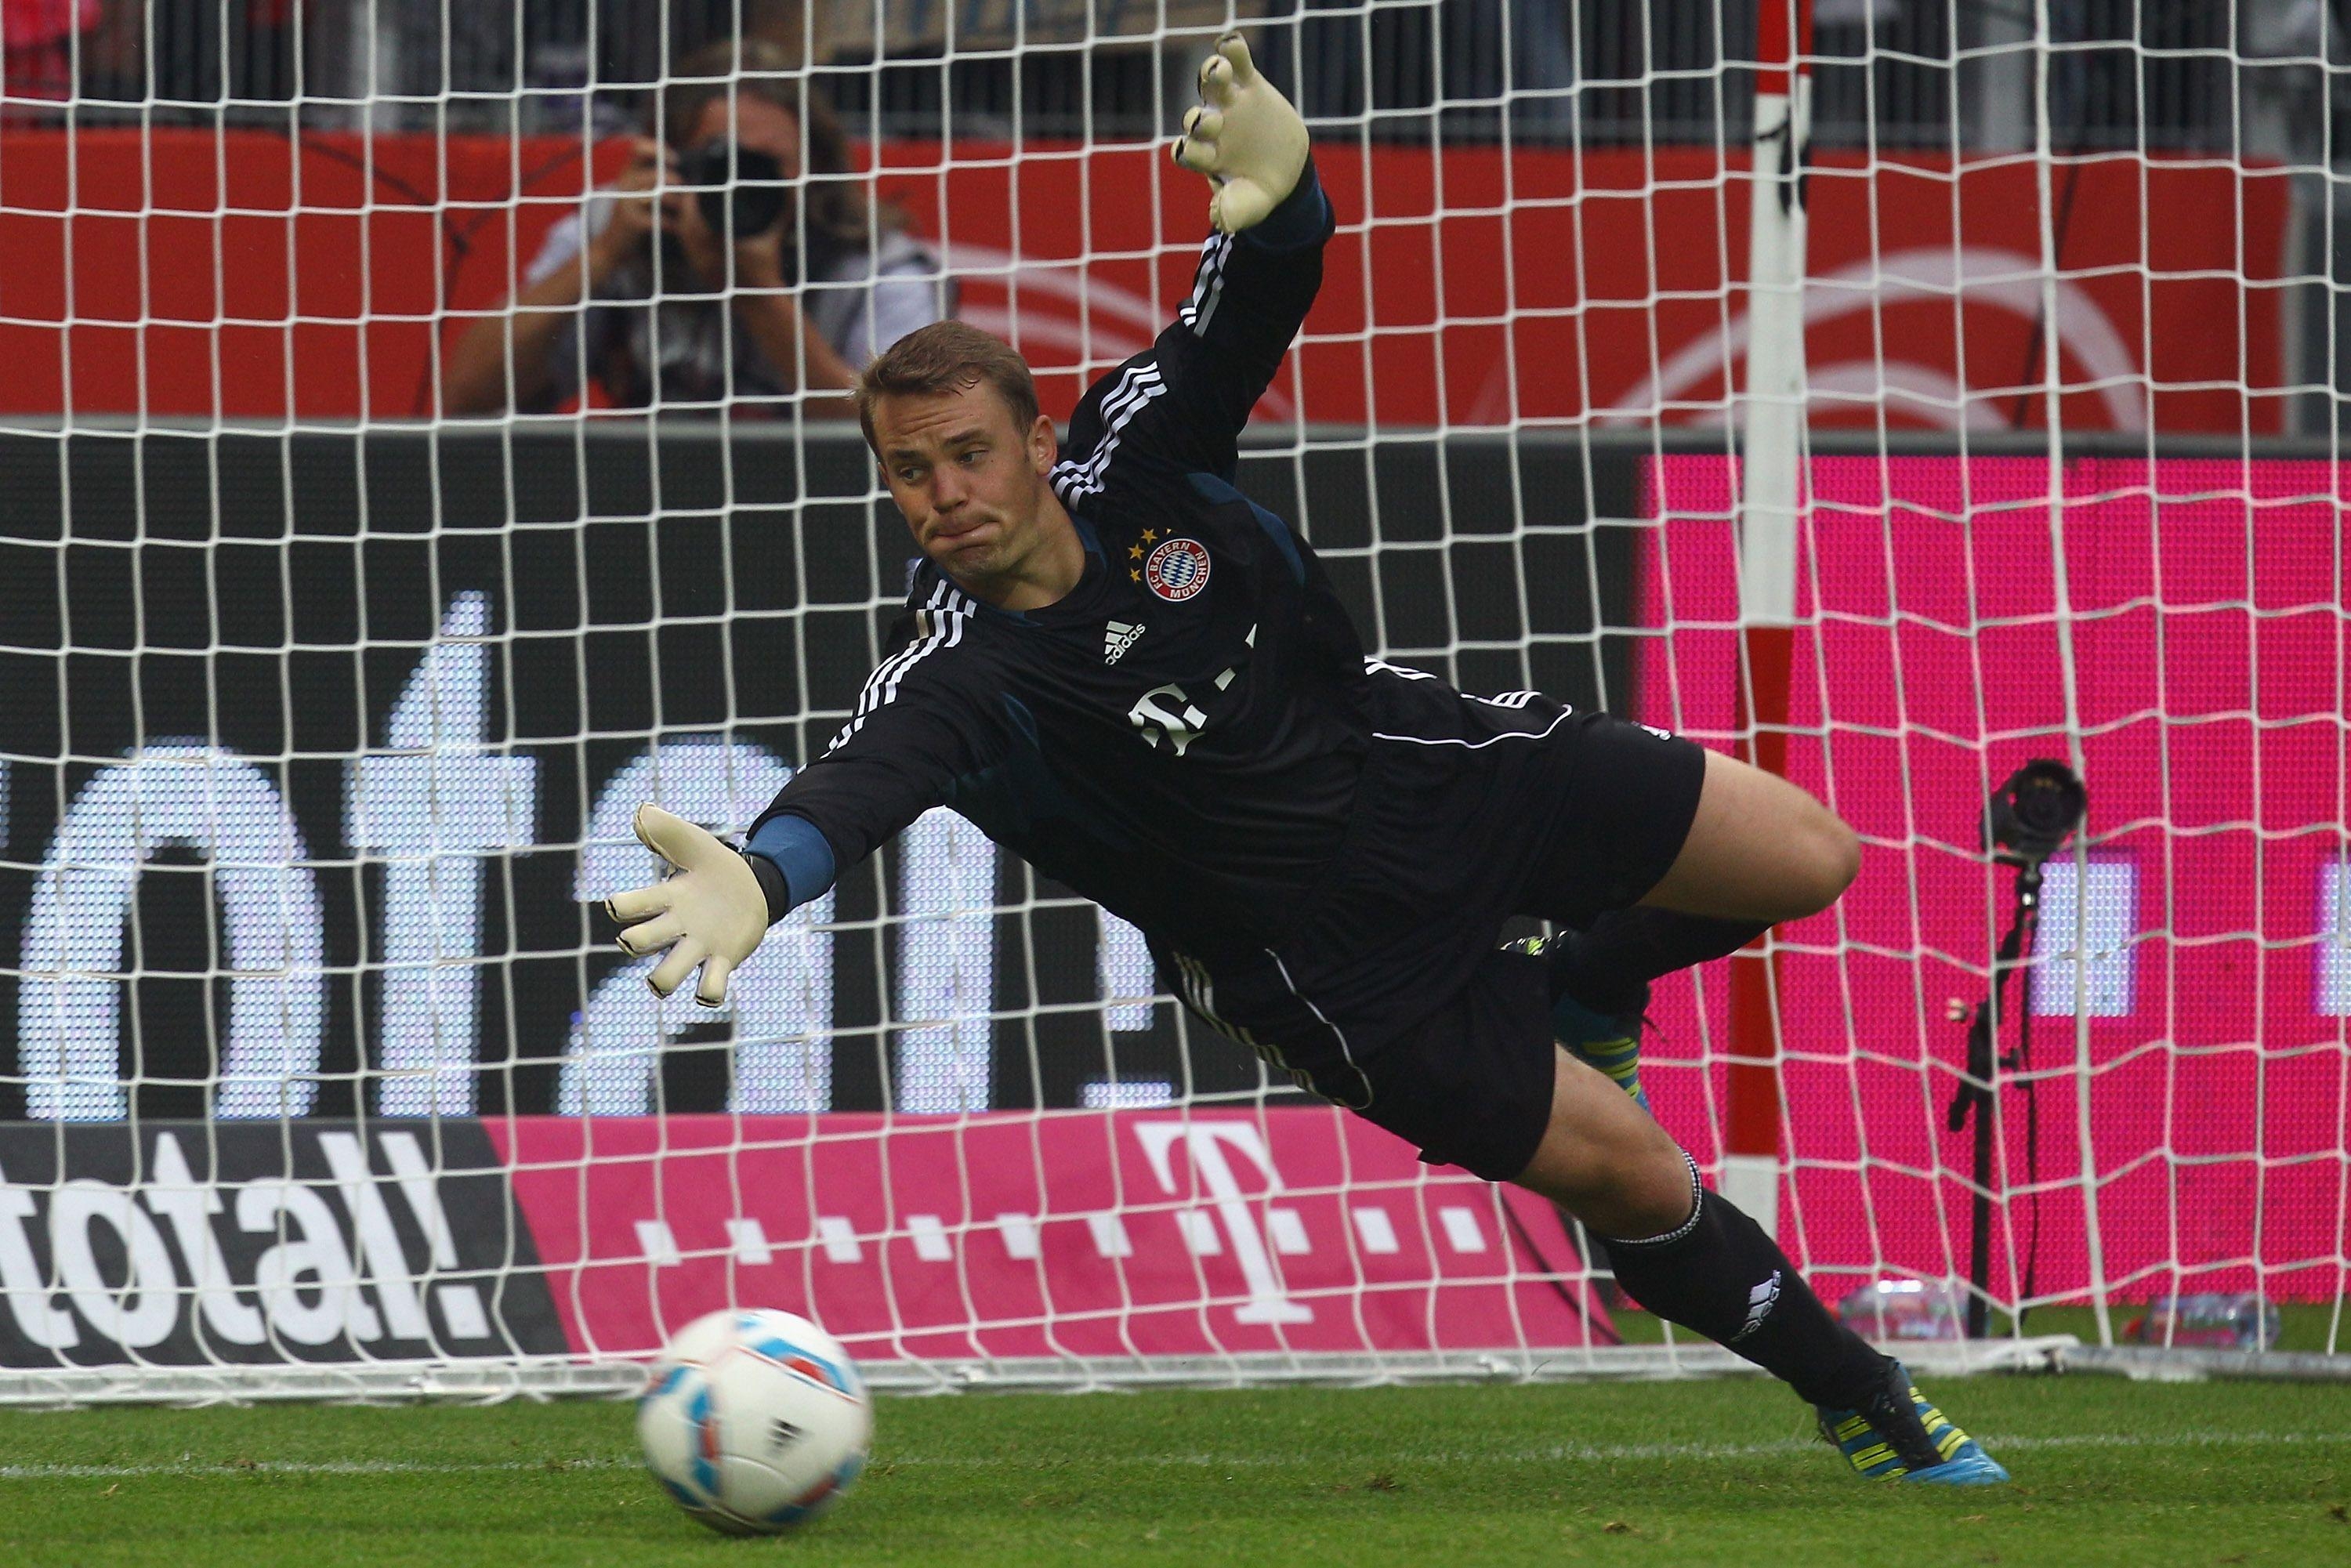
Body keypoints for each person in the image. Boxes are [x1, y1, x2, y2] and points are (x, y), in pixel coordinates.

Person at [604, 33, 2009, 1486]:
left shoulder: (1138, 453)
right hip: (1325, 965)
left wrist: (1290, 203)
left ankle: (1588, 975)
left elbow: (1245, 309)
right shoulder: (960, 671)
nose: (945, 495)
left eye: (968, 452)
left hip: (1429, 765)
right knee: (1639, 1178)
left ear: (1033, 437)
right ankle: (1871, 1401)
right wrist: (764, 878)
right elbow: (862, 780)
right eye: (909, 470)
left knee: (1811, 857)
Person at [441, 38, 950, 418]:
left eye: (769, 163)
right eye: (723, 163)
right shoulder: (617, 232)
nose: (743, 184)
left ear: (816, 166)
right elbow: (468, 400)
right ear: (670, 162)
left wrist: (760, 295)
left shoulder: (873, 263)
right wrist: (601, 257)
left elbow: (907, 432)